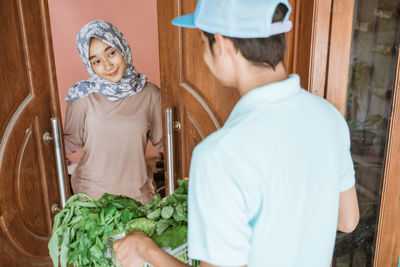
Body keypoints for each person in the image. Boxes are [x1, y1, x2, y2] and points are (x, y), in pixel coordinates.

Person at [113, 0, 360, 266]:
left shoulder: (219, 154)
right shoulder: (328, 116)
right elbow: (347, 220)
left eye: (202, 42)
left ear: (223, 44)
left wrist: (144, 250)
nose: (205, 56)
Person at [63, 20, 162, 204]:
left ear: (122, 46)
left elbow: (166, 141)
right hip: (91, 198)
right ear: (89, 65)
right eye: (97, 61)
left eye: (111, 53)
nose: (108, 65)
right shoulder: (82, 95)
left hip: (140, 198)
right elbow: (69, 142)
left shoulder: (150, 94)